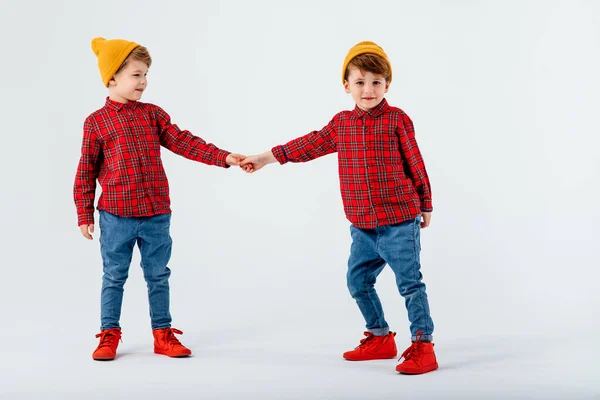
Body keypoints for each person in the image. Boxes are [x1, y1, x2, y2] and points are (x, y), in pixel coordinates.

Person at [240, 41, 438, 374]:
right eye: (360, 82)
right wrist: (265, 158)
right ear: (346, 85)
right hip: (362, 226)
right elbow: (308, 144)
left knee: (410, 284)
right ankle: (380, 337)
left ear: (387, 84)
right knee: (357, 282)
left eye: (376, 82)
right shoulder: (341, 124)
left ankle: (423, 345)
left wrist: (426, 203)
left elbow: (415, 162)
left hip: (400, 221)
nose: (368, 89)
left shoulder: (397, 120)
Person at [74, 37, 245, 361]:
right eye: (136, 75)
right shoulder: (96, 122)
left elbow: (185, 142)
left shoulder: (153, 115)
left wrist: (223, 157)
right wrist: (84, 214)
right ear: (112, 78)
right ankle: (108, 333)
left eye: (145, 74)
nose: (144, 81)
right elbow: (85, 171)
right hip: (116, 216)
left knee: (158, 275)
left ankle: (162, 333)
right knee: (114, 275)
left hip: (155, 215)